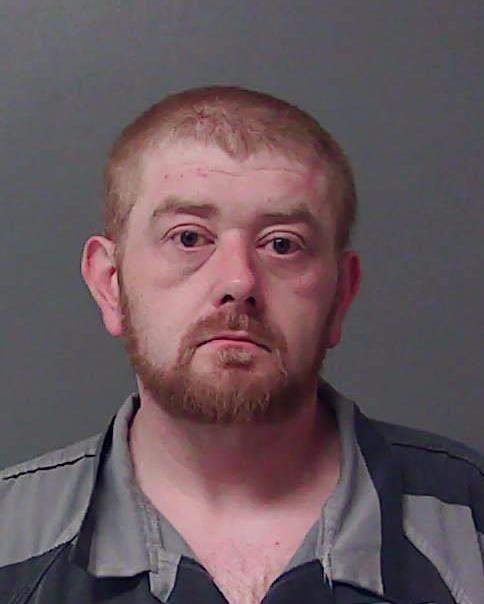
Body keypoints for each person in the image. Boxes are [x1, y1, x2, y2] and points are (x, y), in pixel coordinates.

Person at [0, 86, 482, 604]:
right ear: (110, 284)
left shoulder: (470, 528)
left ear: (342, 294)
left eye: (282, 244)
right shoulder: (11, 540)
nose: (239, 281)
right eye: (189, 238)